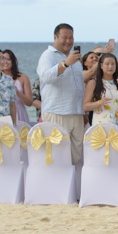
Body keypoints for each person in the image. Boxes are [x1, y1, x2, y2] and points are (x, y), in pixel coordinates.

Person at [37, 23, 85, 165]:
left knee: (76, 157)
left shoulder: (74, 59)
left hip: (77, 112)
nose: (68, 41)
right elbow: (45, 77)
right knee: (57, 156)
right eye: (64, 37)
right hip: (57, 112)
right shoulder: (47, 56)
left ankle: (72, 186)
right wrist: (65, 64)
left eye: (71, 37)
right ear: (55, 37)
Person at [83, 53, 118, 149]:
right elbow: (85, 106)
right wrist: (99, 103)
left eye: (113, 64)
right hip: (102, 127)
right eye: (107, 64)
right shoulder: (93, 82)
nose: (110, 66)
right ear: (101, 66)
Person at [2, 49, 32, 124]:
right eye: (3, 59)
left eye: (8, 59)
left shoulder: (23, 77)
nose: (5, 62)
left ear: (13, 61)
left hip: (19, 114)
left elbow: (29, 102)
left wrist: (17, 92)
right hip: (3, 115)